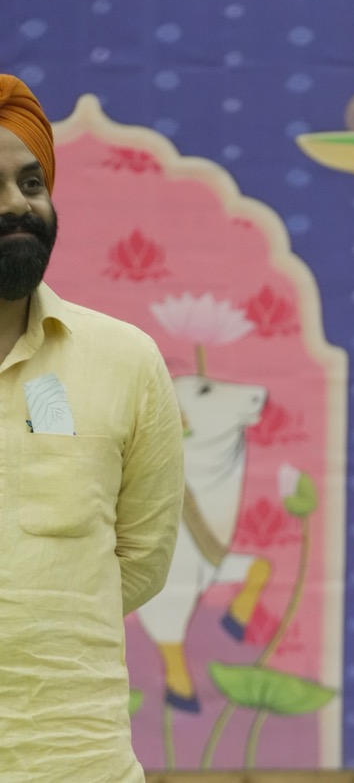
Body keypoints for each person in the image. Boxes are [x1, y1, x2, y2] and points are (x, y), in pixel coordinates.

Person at [0, 74, 185, 779]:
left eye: (31, 183)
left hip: (78, 761)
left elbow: (140, 559)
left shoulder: (123, 358)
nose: (16, 204)